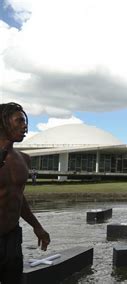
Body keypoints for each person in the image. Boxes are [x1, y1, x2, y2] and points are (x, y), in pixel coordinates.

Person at [0, 102, 50, 283]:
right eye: (19, 121)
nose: (25, 126)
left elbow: (17, 197)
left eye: (25, 121)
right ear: (3, 122)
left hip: (12, 237)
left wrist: (37, 226)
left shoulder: (24, 159)